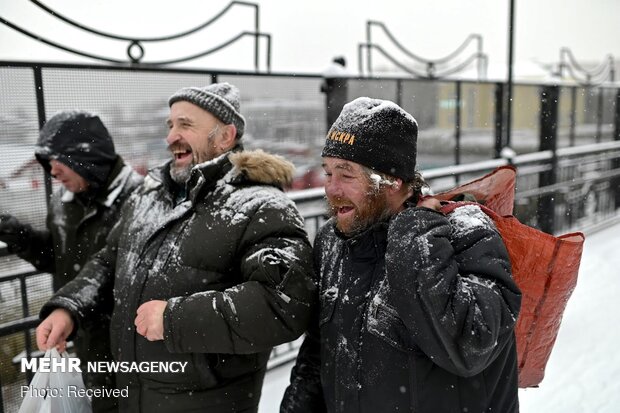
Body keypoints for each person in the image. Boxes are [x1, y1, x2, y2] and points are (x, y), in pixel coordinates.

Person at [35, 83, 317, 412]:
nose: (171, 137)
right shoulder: (148, 196)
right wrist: (69, 307)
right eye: (170, 125)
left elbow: (284, 304)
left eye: (185, 125)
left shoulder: (261, 206)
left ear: (225, 136)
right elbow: (107, 263)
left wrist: (175, 320)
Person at [280, 97, 522, 413]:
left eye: (346, 174)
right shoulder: (332, 241)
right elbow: (319, 352)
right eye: (328, 173)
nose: (331, 188)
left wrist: (414, 237)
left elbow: (471, 346)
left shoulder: (467, 234)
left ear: (393, 181)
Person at [0, 110, 143, 412]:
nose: (52, 172)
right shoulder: (63, 202)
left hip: (131, 345)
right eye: (47, 162)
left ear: (86, 158)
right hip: (82, 338)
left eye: (58, 159)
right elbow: (56, 257)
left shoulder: (140, 200)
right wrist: (12, 231)